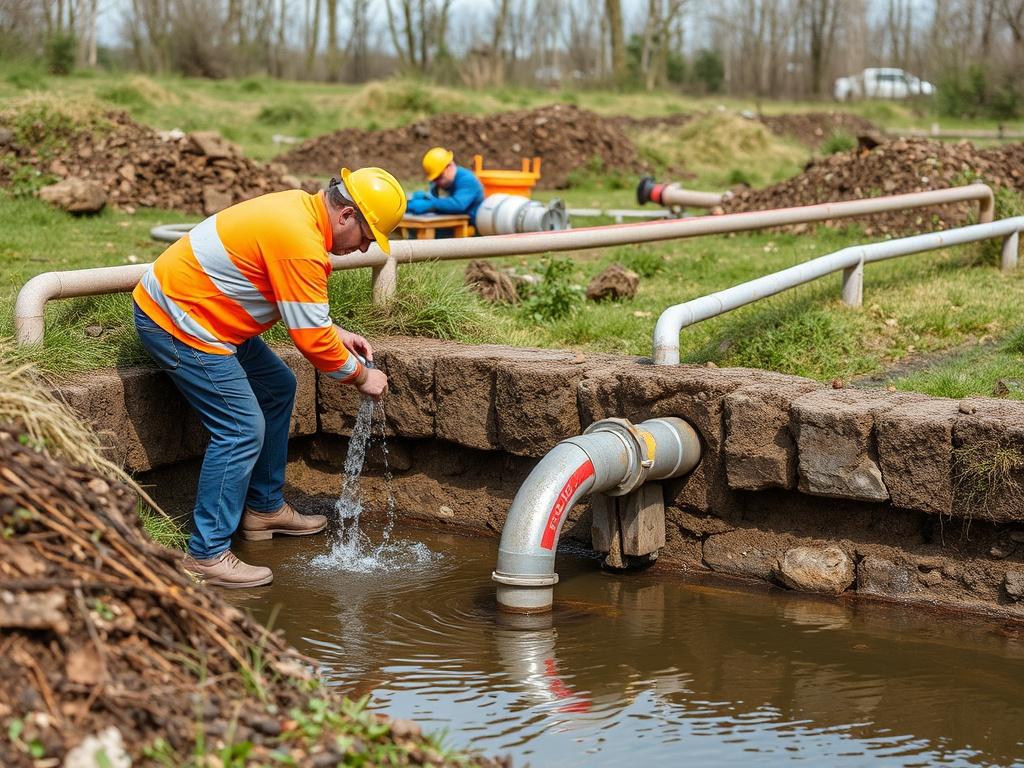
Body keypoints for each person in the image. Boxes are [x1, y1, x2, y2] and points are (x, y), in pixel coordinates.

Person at [132, 167, 407, 588]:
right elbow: (312, 341)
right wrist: (360, 376)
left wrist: (337, 332)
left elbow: (306, 316)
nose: (366, 247)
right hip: (180, 323)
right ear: (347, 214)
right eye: (368, 235)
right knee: (241, 428)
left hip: (207, 312)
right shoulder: (300, 243)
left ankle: (263, 508)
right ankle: (204, 554)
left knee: (278, 387)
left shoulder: (300, 212)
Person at [406, 146, 485, 231]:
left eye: (439, 177)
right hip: (449, 226)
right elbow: (435, 196)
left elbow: (458, 205)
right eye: (434, 179)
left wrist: (430, 204)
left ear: (449, 166)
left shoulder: (467, 180)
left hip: (470, 229)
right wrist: (426, 197)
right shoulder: (443, 182)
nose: (437, 183)